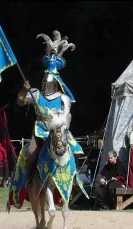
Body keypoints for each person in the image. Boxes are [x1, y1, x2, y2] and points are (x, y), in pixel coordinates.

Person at [17, 30, 83, 187]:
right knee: (32, 153)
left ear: (56, 84)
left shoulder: (63, 98)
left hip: (58, 129)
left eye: (49, 83)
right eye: (44, 83)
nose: (46, 86)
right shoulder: (35, 94)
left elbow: (67, 116)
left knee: (76, 149)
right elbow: (20, 102)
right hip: (40, 128)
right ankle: (29, 179)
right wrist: (25, 90)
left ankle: (74, 177)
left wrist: (61, 126)